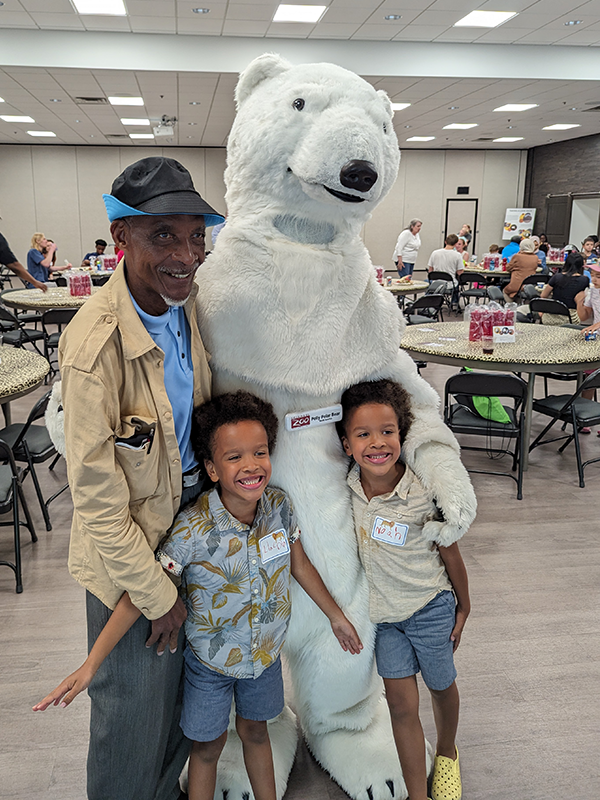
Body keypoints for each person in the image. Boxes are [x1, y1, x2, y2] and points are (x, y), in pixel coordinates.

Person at [34, 390, 363, 800]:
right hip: (209, 666)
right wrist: (91, 665)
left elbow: (300, 566)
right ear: (211, 467)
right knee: (206, 748)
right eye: (234, 457)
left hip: (264, 658)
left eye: (260, 452)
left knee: (256, 732)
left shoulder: (279, 507)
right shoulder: (191, 531)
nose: (251, 466)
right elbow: (142, 592)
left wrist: (336, 616)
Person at [57, 155, 225, 800]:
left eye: (194, 237)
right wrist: (157, 594)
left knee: (183, 692)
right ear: (120, 238)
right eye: (163, 236)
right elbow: (97, 506)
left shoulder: (186, 304)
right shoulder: (94, 345)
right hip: (129, 543)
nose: (185, 255)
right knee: (130, 705)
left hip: (190, 523)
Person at [337, 379, 470, 800]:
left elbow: (450, 553)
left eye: (388, 432)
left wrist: (464, 607)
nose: (377, 443)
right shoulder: (349, 488)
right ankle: (418, 793)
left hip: (431, 608)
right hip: (386, 620)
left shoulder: (421, 492)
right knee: (399, 706)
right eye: (363, 434)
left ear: (402, 435)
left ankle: (446, 752)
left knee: (440, 685)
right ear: (346, 445)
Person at [539, 252, 588, 324]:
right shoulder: (584, 280)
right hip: (571, 318)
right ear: (581, 265)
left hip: (552, 315)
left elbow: (543, 295)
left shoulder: (556, 277)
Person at [0, 226, 47, 291]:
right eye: (44, 239)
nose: (46, 241)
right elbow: (14, 265)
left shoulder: (40, 254)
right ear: (38, 241)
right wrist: (51, 250)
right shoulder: (33, 252)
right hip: (37, 281)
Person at [503, 238, 539, 303]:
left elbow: (508, 268)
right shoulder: (535, 257)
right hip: (529, 286)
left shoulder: (517, 256)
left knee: (505, 291)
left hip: (516, 285)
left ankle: (510, 306)